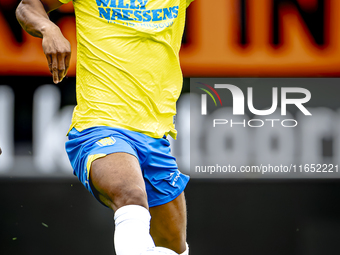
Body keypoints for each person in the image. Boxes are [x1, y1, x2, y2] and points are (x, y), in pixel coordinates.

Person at [16, 0, 193, 254]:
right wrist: (49, 28)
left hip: (154, 138)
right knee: (131, 195)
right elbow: (27, 5)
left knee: (173, 247)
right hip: (98, 128)